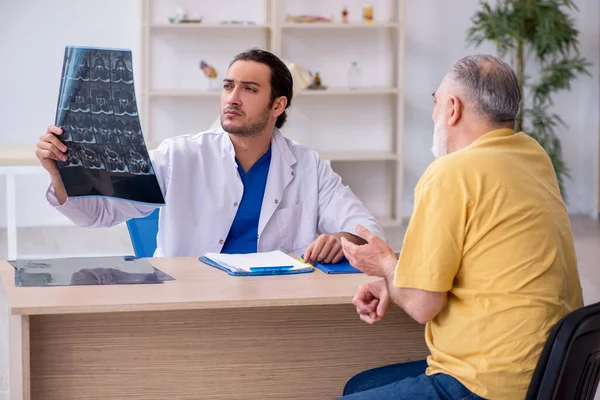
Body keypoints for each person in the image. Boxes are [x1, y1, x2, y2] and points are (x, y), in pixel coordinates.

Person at [336, 54, 583, 400]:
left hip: (488, 383)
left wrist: (385, 264)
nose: (434, 115)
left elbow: (423, 306)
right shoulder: (532, 155)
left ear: (452, 108)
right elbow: (482, 256)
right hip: (550, 374)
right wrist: (393, 283)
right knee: (360, 388)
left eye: (435, 103)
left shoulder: (451, 173)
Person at [36, 48, 385, 260]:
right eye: (228, 86)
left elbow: (366, 229)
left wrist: (343, 237)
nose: (232, 98)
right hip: (191, 300)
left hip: (273, 302)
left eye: (249, 89)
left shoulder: (309, 166)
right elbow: (98, 213)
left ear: (278, 104)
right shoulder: (179, 156)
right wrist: (59, 172)